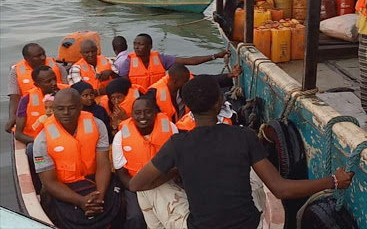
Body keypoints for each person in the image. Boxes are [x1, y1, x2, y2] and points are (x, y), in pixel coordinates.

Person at [130, 75, 354, 229]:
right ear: (219, 103)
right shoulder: (243, 136)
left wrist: (178, 169)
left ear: (188, 108)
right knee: (255, 169)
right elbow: (281, 189)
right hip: (250, 225)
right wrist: (333, 181)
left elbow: (136, 184)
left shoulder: (177, 144)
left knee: (146, 191)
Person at [33, 89, 122, 229]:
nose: (66, 113)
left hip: (95, 182)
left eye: (71, 108)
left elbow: (103, 164)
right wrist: (81, 201)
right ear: (53, 109)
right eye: (60, 109)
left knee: (120, 203)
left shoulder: (97, 125)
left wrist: (100, 196)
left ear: (80, 107)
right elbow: (49, 182)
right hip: (64, 187)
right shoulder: (42, 141)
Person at [112, 96, 178, 229]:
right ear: (132, 114)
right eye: (137, 113)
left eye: (148, 112)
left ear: (155, 112)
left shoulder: (170, 129)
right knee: (135, 217)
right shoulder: (121, 136)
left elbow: (177, 164)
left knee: (174, 215)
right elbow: (121, 172)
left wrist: (157, 186)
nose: (143, 116)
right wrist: (140, 189)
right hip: (135, 186)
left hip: (166, 182)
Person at [118, 33, 228, 89]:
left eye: (141, 44)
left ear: (150, 46)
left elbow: (190, 61)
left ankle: (226, 78)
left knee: (191, 77)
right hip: (139, 99)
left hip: (159, 96)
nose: (136, 47)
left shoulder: (160, 59)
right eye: (135, 44)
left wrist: (216, 56)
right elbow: (123, 85)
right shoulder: (128, 62)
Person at [5, 43, 67, 133]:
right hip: (32, 109)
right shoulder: (16, 72)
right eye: (37, 56)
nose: (43, 57)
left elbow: (67, 88)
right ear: (27, 59)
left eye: (43, 54)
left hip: (58, 107)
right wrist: (12, 116)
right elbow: (15, 97)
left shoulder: (58, 67)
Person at [15, 66, 68, 145]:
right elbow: (18, 134)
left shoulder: (69, 92)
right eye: (48, 81)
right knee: (30, 149)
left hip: (66, 138)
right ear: (37, 85)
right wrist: (41, 142)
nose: (54, 83)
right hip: (39, 141)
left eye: (54, 79)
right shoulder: (27, 99)